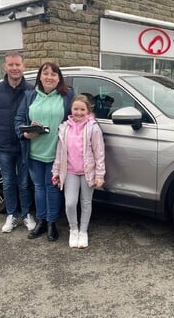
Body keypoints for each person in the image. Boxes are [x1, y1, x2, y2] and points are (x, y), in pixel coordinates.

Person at [15, 62, 74, 241]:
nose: (49, 77)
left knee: (52, 188)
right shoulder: (30, 96)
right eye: (45, 73)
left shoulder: (67, 95)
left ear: (59, 78)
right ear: (40, 76)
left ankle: (52, 223)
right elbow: (18, 119)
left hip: (56, 153)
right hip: (33, 152)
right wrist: (25, 133)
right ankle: (41, 221)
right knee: (39, 188)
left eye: (53, 74)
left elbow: (78, 118)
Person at [0, 51, 36, 233]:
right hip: (3, 144)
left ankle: (26, 214)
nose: (14, 68)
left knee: (23, 182)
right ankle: (11, 215)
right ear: (5, 67)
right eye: (11, 65)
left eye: (18, 65)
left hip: (23, 144)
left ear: (23, 66)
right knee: (7, 181)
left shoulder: (30, 90)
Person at [52, 94, 106, 249]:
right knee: (70, 203)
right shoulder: (64, 128)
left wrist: (99, 174)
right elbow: (60, 152)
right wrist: (56, 172)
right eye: (76, 109)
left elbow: (99, 152)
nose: (79, 112)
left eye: (82, 109)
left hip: (88, 172)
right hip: (70, 171)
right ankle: (73, 229)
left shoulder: (93, 127)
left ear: (87, 110)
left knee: (86, 202)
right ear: (71, 109)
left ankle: (83, 231)